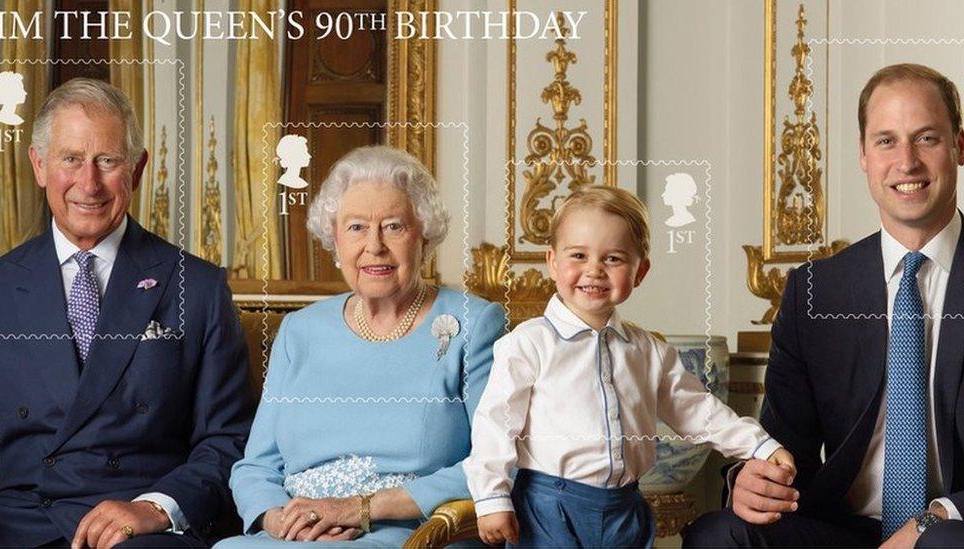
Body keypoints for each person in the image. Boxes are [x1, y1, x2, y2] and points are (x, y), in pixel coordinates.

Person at [683, 63, 964, 547]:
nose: (907, 162)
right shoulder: (815, 290)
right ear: (862, 155)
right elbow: (781, 443)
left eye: (927, 139)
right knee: (719, 535)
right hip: (840, 528)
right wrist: (752, 481)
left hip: (951, 526)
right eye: (886, 141)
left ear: (959, 145)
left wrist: (933, 519)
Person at [0, 77, 253, 547]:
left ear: (137, 169)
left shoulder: (201, 286)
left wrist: (156, 507)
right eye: (71, 159)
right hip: (19, 524)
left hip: (137, 527)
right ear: (39, 165)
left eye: (107, 161)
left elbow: (229, 440)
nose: (88, 183)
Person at [464, 186, 795, 548]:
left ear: (640, 271)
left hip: (624, 508)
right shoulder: (528, 344)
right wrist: (491, 498)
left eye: (613, 259)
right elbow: (495, 424)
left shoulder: (647, 350)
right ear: (552, 262)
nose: (594, 270)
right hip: (548, 508)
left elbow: (698, 411)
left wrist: (758, 445)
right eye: (578, 255)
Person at [215, 145, 506, 547]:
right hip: (298, 534)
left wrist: (361, 508)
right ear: (334, 241)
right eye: (356, 227)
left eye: (393, 226)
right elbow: (255, 467)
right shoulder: (299, 331)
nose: (374, 246)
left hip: (412, 533)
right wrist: (282, 522)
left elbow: (494, 462)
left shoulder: (473, 325)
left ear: (424, 236)